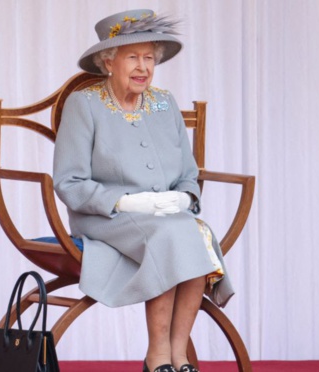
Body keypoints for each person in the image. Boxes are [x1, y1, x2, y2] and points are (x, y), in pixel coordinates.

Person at [53, 9, 234, 372]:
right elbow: (68, 182)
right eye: (132, 57)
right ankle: (157, 356)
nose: (143, 67)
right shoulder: (83, 105)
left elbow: (188, 172)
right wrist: (127, 201)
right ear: (108, 61)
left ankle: (179, 357)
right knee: (174, 236)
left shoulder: (165, 104)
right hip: (105, 219)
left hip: (168, 218)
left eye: (149, 57)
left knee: (191, 232)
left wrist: (184, 197)